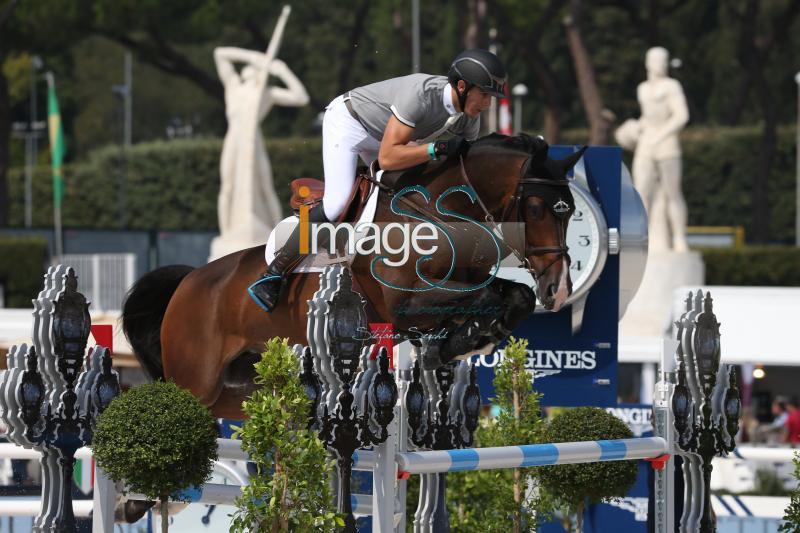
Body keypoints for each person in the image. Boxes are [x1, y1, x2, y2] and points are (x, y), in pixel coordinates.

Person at [248, 49, 509, 312]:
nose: (488, 104)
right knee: (337, 203)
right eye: (485, 95)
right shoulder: (422, 94)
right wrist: (435, 150)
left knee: (407, 196)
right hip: (351, 123)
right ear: (462, 87)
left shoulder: (468, 119)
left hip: (389, 137)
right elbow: (387, 158)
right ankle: (274, 272)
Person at [212, 46, 309, 259]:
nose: (253, 72)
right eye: (251, 68)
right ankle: (227, 232)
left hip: (254, 140)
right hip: (235, 138)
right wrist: (256, 58)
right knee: (228, 185)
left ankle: (273, 230)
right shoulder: (233, 87)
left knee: (265, 187)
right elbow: (220, 53)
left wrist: (282, 70)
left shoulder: (266, 93)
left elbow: (301, 97)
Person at [631, 46, 690, 252]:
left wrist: (661, 134)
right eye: (657, 59)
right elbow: (647, 116)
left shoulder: (672, 86)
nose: (661, 63)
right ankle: (643, 237)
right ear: (648, 62)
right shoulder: (642, 88)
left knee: (673, 192)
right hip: (647, 141)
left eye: (664, 59)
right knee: (641, 191)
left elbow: (681, 115)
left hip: (667, 143)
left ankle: (679, 238)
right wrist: (638, 127)